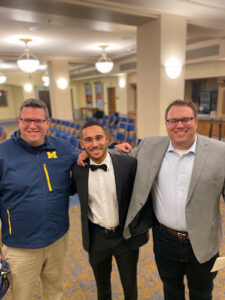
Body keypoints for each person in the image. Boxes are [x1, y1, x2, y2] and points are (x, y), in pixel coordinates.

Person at [113, 99, 225, 300]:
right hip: (164, 238)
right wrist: (97, 152)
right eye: (173, 120)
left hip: (203, 241)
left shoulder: (220, 152)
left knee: (202, 293)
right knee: (171, 289)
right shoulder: (150, 145)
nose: (179, 125)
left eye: (185, 119)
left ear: (196, 121)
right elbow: (122, 159)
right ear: (166, 123)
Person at [0, 98, 78, 300]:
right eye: (27, 120)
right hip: (20, 246)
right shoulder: (3, 154)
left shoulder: (63, 149)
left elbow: (89, 155)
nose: (32, 126)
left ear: (47, 123)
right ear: (18, 121)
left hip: (57, 238)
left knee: (55, 291)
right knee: (21, 296)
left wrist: (114, 148)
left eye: (38, 120)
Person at [71, 120, 148, 300]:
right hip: (97, 238)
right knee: (102, 287)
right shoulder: (78, 169)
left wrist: (143, 228)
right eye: (88, 140)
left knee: (130, 287)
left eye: (99, 138)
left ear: (107, 139)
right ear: (82, 144)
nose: (95, 143)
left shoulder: (127, 163)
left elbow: (143, 196)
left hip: (125, 237)